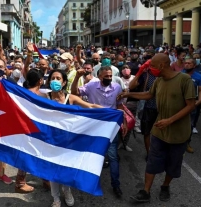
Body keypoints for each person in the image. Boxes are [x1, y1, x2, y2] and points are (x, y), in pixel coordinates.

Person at [118, 54, 195, 203]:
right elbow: (148, 94)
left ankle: (165, 186)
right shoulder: (159, 81)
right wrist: (129, 93)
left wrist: (170, 120)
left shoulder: (184, 80)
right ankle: (145, 191)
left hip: (178, 133)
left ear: (161, 66)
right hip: (159, 130)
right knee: (153, 160)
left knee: (173, 163)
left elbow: (191, 105)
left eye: (151, 65)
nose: (149, 68)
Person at [47, 69, 105, 207]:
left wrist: (110, 111)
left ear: (64, 82)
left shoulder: (70, 98)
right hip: (51, 140)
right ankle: (55, 198)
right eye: (53, 78)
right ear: (49, 81)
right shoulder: (44, 97)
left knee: (66, 168)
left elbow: (90, 106)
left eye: (58, 78)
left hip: (68, 140)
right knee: (53, 170)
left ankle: (67, 191)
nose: (55, 81)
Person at [71, 66, 127, 199]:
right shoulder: (91, 86)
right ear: (99, 76)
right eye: (106, 76)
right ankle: (83, 181)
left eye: (110, 76)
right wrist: (77, 77)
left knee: (113, 156)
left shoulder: (117, 87)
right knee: (89, 154)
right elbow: (75, 93)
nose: (109, 78)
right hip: (94, 125)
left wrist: (123, 121)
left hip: (111, 126)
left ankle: (116, 185)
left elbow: (119, 106)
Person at [182, 58, 201, 153]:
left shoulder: (198, 77)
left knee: (190, 125)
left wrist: (199, 101)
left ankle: (187, 143)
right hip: (180, 104)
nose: (186, 65)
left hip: (192, 105)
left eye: (189, 63)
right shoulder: (180, 74)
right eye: (185, 63)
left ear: (194, 65)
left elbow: (200, 91)